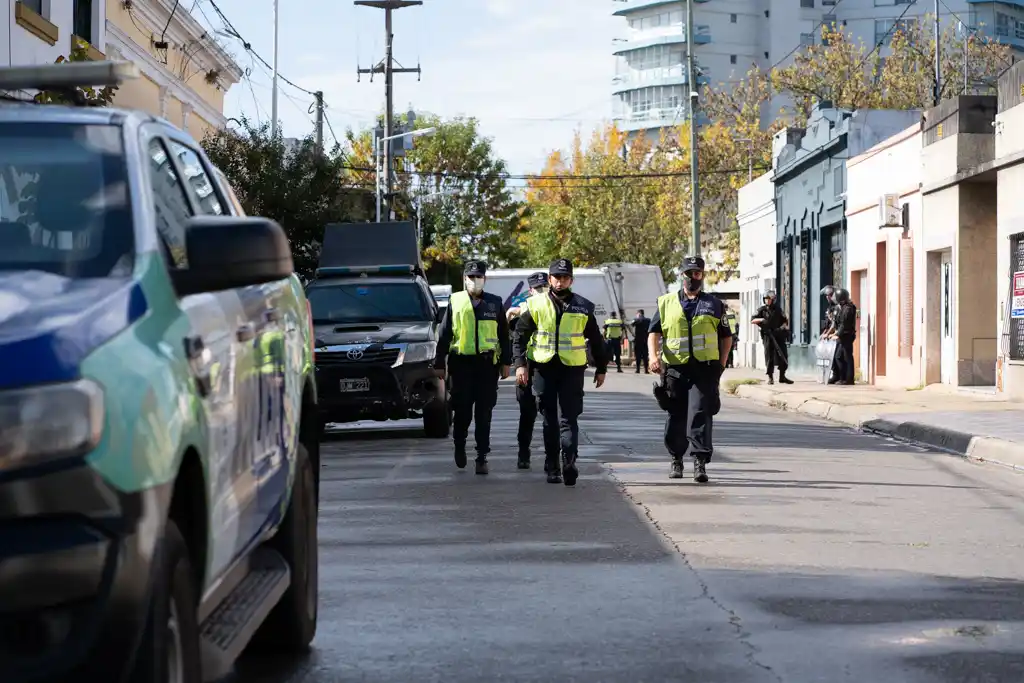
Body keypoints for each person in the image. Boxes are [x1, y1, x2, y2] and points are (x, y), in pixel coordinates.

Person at [513, 258, 608, 486]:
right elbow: (520, 336)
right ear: (549, 279)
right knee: (549, 420)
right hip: (544, 368)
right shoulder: (535, 305)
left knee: (569, 418)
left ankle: (569, 462)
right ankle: (552, 465)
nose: (560, 281)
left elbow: (596, 340)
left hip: (572, 369)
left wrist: (602, 368)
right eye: (557, 277)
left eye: (565, 278)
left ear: (571, 280)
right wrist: (520, 365)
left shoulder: (583, 306)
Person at [649, 255, 732, 483]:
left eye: (697, 274)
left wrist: (722, 363)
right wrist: (653, 356)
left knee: (700, 413)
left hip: (704, 370)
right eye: (689, 273)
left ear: (702, 276)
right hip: (676, 369)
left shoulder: (714, 304)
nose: (693, 278)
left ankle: (700, 462)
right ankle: (676, 458)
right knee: (677, 415)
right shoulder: (665, 302)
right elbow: (654, 332)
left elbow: (726, 337)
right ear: (682, 275)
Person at [434, 260, 511, 475]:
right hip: (461, 365)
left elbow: (504, 335)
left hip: (487, 366)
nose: (475, 281)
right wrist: (440, 363)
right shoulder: (455, 301)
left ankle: (482, 456)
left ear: (484, 279)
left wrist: (506, 362)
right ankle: (460, 445)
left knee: (484, 413)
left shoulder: (495, 303)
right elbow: (444, 334)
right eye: (471, 277)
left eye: (479, 277)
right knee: (463, 410)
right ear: (464, 279)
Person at [506, 271, 549, 469]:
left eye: (544, 287)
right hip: (527, 367)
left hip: (547, 366)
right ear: (530, 290)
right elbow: (516, 336)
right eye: (537, 288)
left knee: (551, 413)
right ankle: (524, 452)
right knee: (527, 412)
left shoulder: (553, 307)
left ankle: (552, 457)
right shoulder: (524, 307)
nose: (541, 291)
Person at [751, 290, 793, 385]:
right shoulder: (762, 310)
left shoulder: (778, 310)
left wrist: (781, 328)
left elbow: (785, 321)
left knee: (783, 355)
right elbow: (752, 320)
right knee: (769, 356)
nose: (767, 301)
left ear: (773, 299)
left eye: (768, 299)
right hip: (768, 336)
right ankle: (770, 377)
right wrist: (761, 319)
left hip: (778, 335)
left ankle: (782, 376)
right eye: (765, 299)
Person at [824, 288, 857, 385]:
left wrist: (836, 335)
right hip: (841, 336)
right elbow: (836, 323)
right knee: (838, 356)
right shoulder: (841, 307)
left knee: (847, 357)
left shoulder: (848, 309)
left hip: (847, 336)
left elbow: (844, 324)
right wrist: (832, 334)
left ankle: (848, 379)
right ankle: (841, 377)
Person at [632, 309, 651, 374]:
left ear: (638, 314)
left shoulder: (636, 319)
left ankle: (638, 369)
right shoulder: (648, 320)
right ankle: (646, 370)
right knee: (645, 355)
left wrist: (637, 318)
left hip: (638, 341)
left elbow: (632, 324)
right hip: (646, 340)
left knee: (638, 356)